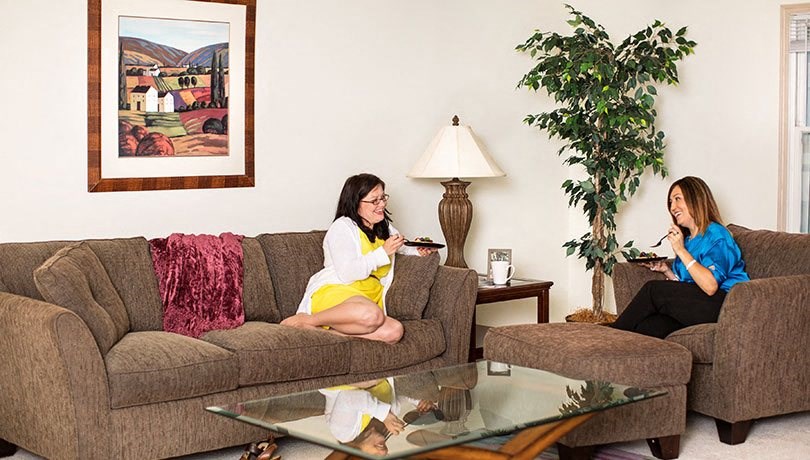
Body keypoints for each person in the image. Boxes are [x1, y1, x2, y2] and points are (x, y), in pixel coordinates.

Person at [280, 173, 436, 343]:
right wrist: (383, 252)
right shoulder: (342, 227)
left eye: (383, 198)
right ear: (356, 203)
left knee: (394, 331)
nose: (382, 204)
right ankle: (308, 320)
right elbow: (348, 273)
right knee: (371, 315)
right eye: (374, 200)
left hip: (369, 296)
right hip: (340, 291)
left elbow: (402, 247)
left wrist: (419, 249)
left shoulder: (384, 227)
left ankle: (317, 331)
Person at [612, 176, 750, 339]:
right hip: (700, 304)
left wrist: (680, 250)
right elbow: (689, 286)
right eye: (670, 202)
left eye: (677, 199)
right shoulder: (689, 240)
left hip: (726, 304)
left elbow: (710, 285)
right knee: (650, 327)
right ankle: (620, 359)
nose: (672, 207)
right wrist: (667, 271)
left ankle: (610, 339)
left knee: (653, 290)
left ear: (696, 199)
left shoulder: (717, 235)